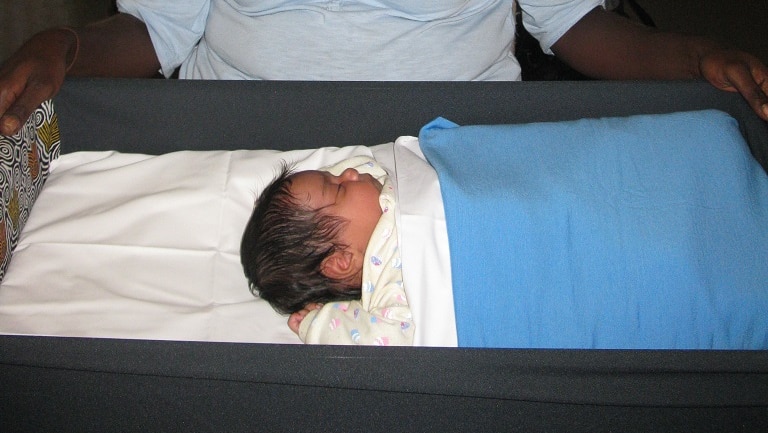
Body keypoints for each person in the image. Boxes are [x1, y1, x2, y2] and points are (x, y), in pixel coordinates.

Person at [1, 1, 767, 137]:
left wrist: (693, 55)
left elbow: (571, 23)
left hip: (456, 136)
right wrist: (66, 45)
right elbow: (160, 28)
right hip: (229, 128)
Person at [241, 156, 414, 345]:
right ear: (341, 262)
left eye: (335, 176)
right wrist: (320, 325)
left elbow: (365, 163)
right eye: (340, 188)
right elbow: (392, 339)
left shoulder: (379, 182)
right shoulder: (388, 278)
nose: (350, 173)